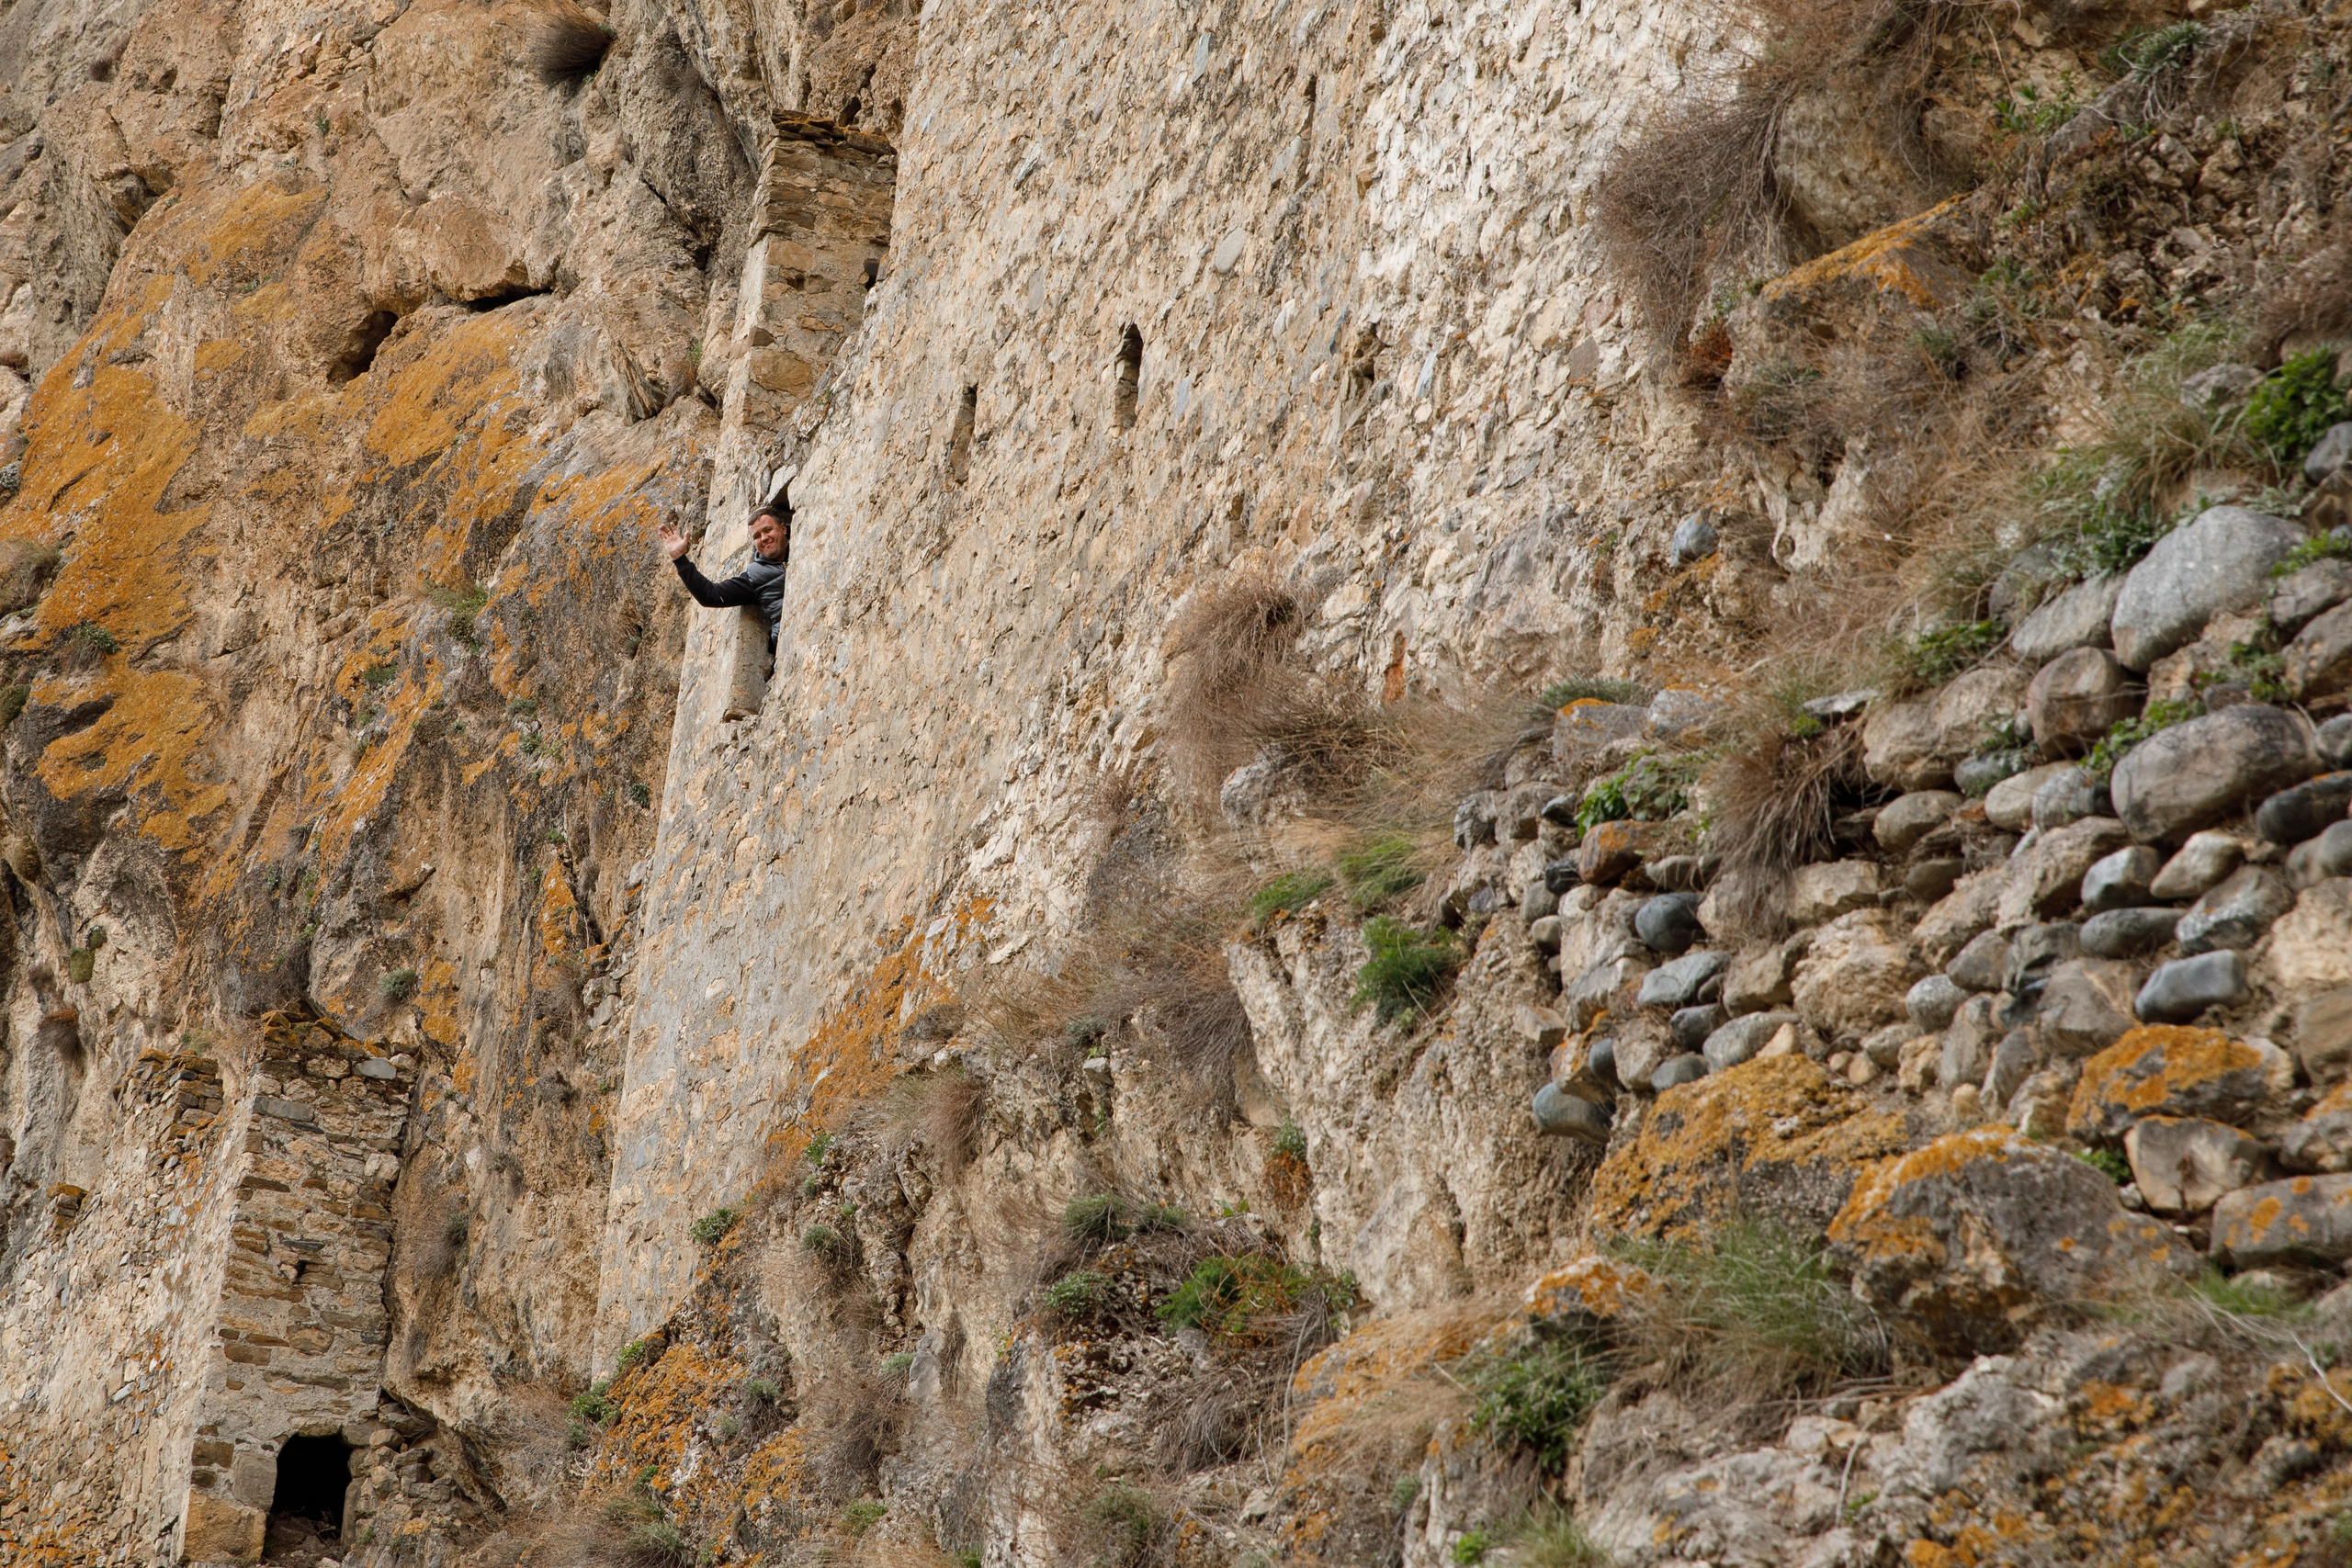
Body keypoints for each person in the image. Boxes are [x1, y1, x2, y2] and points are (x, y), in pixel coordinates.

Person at [659, 493, 789, 651]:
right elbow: (710, 595)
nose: (764, 538)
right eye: (757, 536)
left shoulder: (805, 541)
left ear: (783, 529)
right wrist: (679, 558)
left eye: (767, 530)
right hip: (788, 642)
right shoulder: (755, 575)